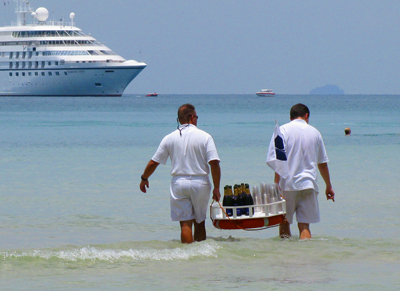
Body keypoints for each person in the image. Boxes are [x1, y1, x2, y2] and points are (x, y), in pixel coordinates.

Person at [139, 103, 221, 244]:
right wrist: (217, 188)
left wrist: (144, 178)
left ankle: (186, 256)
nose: (197, 119)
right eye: (196, 117)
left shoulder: (169, 138)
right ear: (191, 117)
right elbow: (214, 163)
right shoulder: (205, 137)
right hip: (200, 182)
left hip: (178, 183)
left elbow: (154, 162)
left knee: (185, 224)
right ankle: (200, 256)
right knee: (200, 222)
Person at [267, 103, 335, 239]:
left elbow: (278, 160)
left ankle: (286, 255)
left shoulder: (282, 130)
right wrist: (328, 186)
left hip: (288, 184)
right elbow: (322, 163)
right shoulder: (315, 132)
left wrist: (276, 183)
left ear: (290, 117)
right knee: (304, 225)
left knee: (284, 222)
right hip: (308, 184)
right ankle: (306, 256)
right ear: (306, 115)